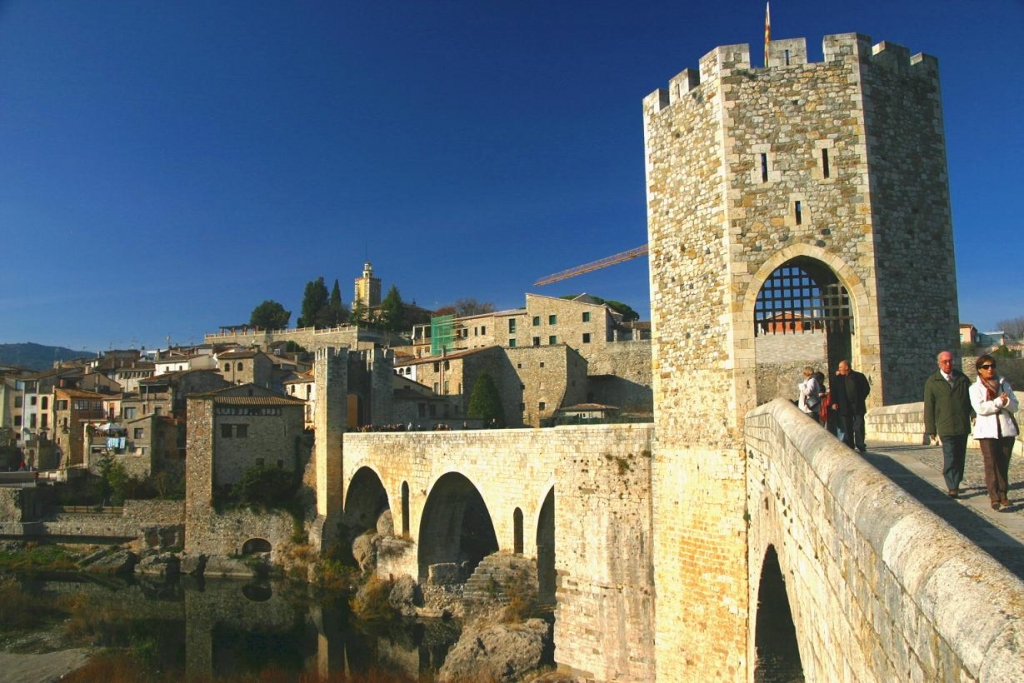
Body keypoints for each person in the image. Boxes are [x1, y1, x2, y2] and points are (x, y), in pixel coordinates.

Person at [969, 355, 1019, 511]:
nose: (990, 369)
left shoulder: (1004, 385)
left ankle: (1004, 494)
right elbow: (981, 409)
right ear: (979, 370)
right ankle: (994, 496)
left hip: (1005, 429)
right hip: (987, 431)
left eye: (992, 366)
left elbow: (1015, 406)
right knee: (990, 463)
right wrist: (998, 402)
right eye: (985, 367)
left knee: (1003, 463)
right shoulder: (974, 388)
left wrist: (1006, 402)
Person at [923, 350, 974, 498]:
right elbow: (929, 407)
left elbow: (969, 400)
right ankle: (952, 486)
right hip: (945, 426)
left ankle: (956, 481)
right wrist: (930, 429)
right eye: (945, 361)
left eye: (950, 361)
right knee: (950, 455)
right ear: (939, 363)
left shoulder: (962, 379)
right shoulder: (932, 382)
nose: (948, 364)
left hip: (962, 424)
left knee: (960, 456)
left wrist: (973, 414)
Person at [830, 360, 871, 453]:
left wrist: (860, 398)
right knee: (847, 426)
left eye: (841, 367)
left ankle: (860, 444)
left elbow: (866, 389)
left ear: (847, 367)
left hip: (857, 405)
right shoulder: (837, 379)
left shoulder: (859, 376)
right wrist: (834, 402)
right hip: (844, 405)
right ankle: (850, 445)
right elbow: (834, 392)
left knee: (859, 425)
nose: (839, 369)